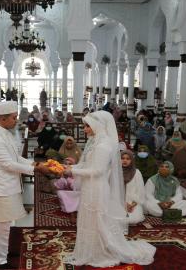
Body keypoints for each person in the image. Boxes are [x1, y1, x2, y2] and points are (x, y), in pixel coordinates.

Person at [62, 111, 155, 267]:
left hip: (97, 188)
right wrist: (70, 166)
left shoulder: (104, 145)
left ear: (98, 126)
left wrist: (72, 171)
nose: (84, 129)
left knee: (98, 220)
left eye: (87, 126)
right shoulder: (95, 142)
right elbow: (86, 165)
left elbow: (97, 171)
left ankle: (100, 251)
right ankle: (91, 249)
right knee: (91, 220)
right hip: (89, 186)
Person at [0, 101, 51, 269]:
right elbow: (8, 164)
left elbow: (16, 158)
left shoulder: (5, 133)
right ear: (3, 118)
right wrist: (35, 169)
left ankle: (3, 252)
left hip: (8, 185)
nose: (17, 120)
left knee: (6, 223)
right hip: (0, 188)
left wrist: (34, 164)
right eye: (14, 118)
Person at [121, 150, 146, 225]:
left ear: (132, 160)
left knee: (132, 219)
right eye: (122, 158)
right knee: (118, 219)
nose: (125, 160)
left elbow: (140, 191)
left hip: (133, 202)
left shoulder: (136, 173)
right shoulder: (114, 172)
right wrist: (123, 204)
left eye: (128, 159)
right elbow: (111, 191)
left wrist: (132, 204)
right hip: (118, 202)